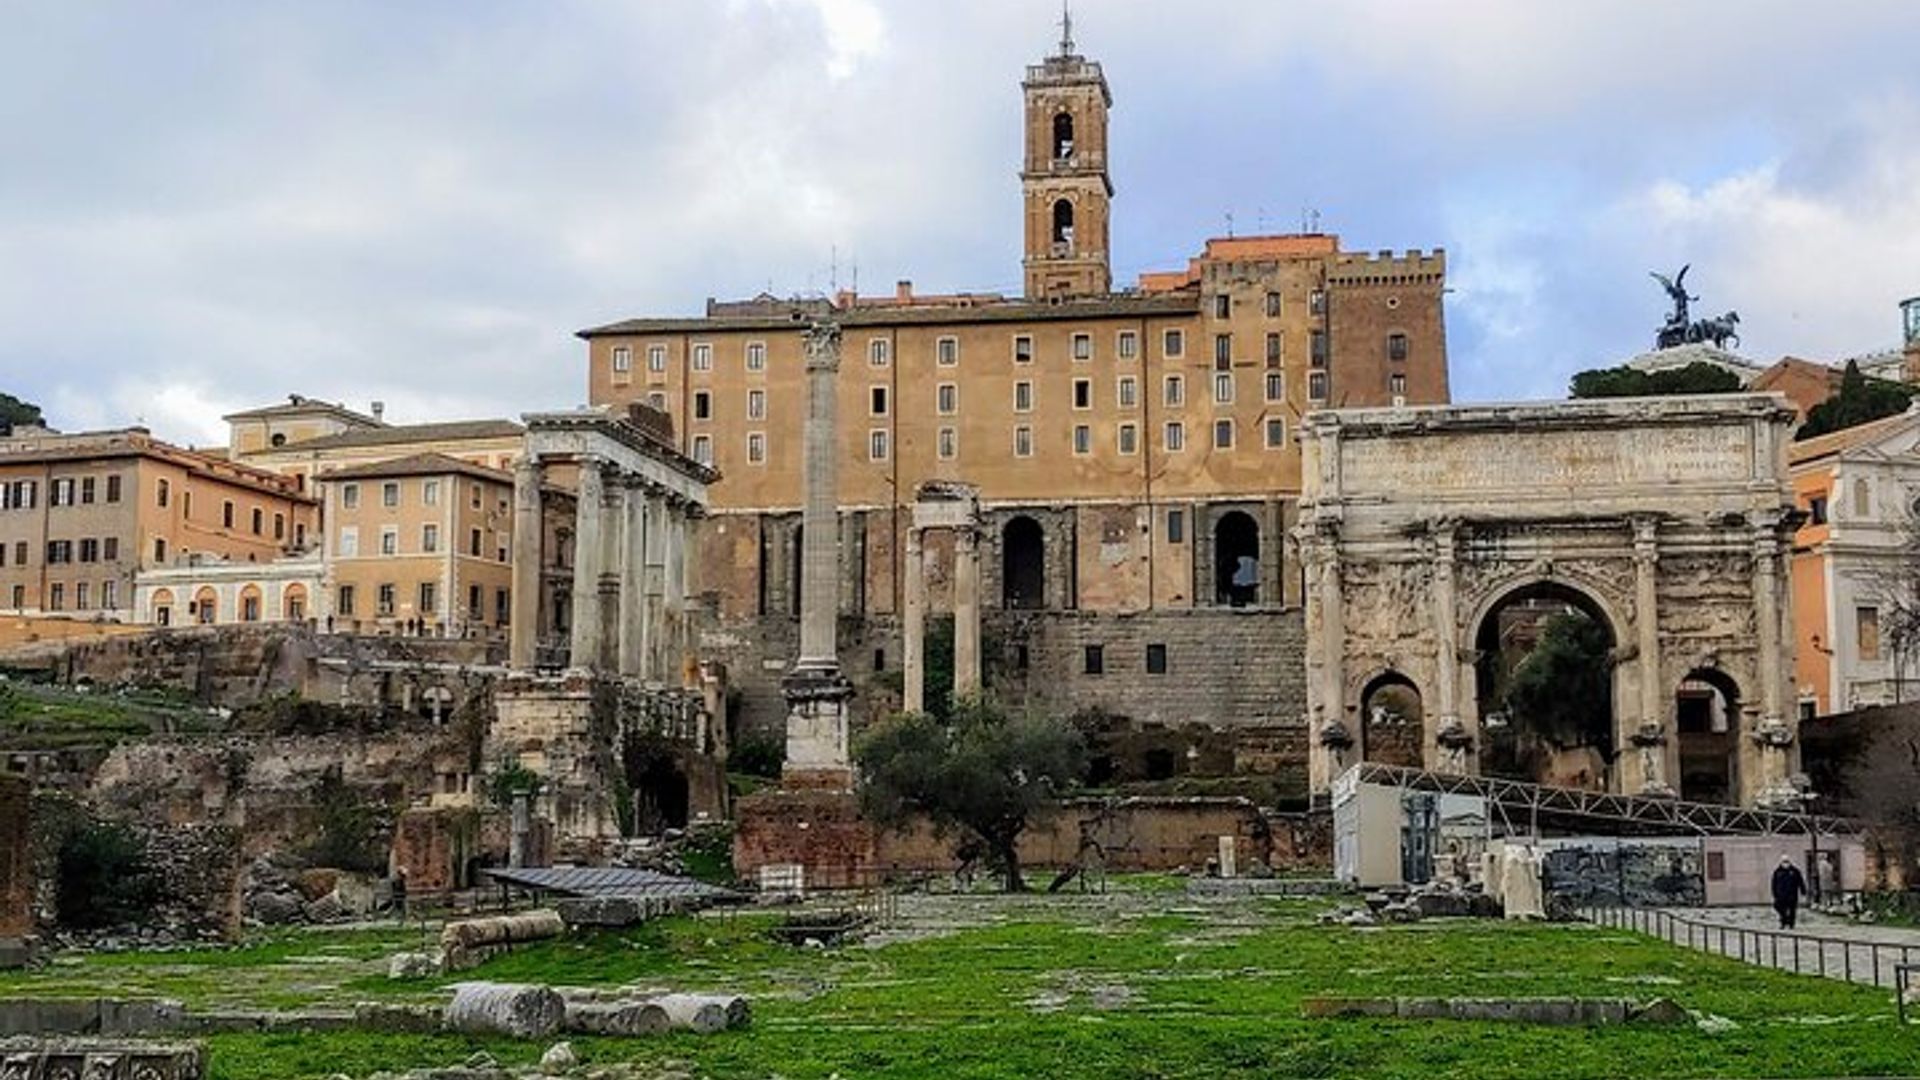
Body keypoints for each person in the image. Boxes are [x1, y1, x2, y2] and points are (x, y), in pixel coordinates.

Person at [1771, 855, 1807, 929]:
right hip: (1781, 895)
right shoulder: (1778, 871)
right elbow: (1774, 883)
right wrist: (1774, 893)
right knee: (1779, 908)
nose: (1785, 863)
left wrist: (1803, 891)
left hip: (1792, 894)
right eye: (1784, 861)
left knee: (1792, 910)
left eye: (1786, 861)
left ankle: (1791, 923)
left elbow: (1800, 881)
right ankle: (1784, 921)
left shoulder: (1794, 871)